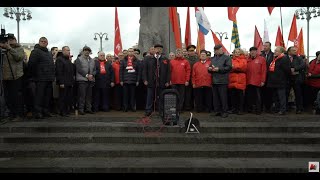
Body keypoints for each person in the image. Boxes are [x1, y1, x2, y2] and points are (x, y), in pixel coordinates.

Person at [28, 37, 55, 119]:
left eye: (45, 41)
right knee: (39, 96)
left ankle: (45, 111)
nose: (43, 42)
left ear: (47, 43)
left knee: (47, 97)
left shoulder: (49, 53)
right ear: (39, 42)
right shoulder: (35, 51)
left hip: (49, 78)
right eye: (42, 41)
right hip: (39, 79)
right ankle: (38, 112)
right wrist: (34, 76)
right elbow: (31, 65)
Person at [0, 34, 25, 121]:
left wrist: (9, 48)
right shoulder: (2, 50)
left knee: (16, 97)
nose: (10, 41)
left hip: (16, 76)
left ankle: (18, 114)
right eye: (8, 40)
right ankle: (11, 113)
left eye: (12, 39)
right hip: (5, 76)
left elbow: (19, 57)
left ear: (15, 40)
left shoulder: (19, 48)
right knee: (7, 97)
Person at [143, 44, 170, 116]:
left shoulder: (165, 59)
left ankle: (161, 110)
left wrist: (167, 81)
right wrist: (145, 79)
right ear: (154, 50)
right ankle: (148, 110)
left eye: (160, 48)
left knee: (161, 96)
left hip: (162, 81)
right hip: (151, 81)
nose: (158, 50)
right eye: (157, 48)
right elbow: (145, 70)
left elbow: (168, 71)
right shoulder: (148, 59)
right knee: (150, 96)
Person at [208, 44, 232, 118]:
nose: (222, 50)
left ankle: (225, 111)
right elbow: (210, 67)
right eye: (220, 50)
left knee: (223, 97)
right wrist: (209, 69)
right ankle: (217, 110)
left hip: (223, 81)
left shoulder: (227, 58)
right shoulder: (213, 59)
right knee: (216, 97)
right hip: (214, 80)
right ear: (215, 51)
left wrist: (219, 69)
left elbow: (228, 67)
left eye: (222, 49)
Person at [266, 46, 291, 115]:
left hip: (280, 81)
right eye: (275, 50)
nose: (275, 52)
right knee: (275, 97)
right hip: (274, 81)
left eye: (276, 51)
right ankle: (277, 109)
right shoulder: (275, 59)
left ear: (281, 52)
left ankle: (283, 110)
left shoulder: (284, 58)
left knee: (281, 96)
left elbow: (287, 70)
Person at [75, 46, 96, 115]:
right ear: (83, 51)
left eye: (88, 50)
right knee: (82, 96)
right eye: (85, 50)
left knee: (89, 96)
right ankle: (81, 109)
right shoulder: (79, 59)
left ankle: (88, 109)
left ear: (90, 52)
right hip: (82, 80)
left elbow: (95, 70)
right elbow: (79, 69)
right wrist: (87, 75)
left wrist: (92, 75)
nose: (87, 51)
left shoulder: (92, 60)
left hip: (90, 80)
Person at [246, 47, 266, 114]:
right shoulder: (247, 59)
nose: (253, 52)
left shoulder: (262, 59)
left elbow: (264, 71)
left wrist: (263, 80)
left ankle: (258, 110)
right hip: (248, 81)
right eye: (251, 51)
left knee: (258, 96)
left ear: (257, 52)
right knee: (249, 96)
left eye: (254, 51)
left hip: (257, 81)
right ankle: (250, 109)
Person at [285, 46, 305, 114]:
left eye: (295, 50)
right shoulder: (284, 57)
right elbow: (282, 66)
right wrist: (289, 70)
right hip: (287, 79)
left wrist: (295, 69)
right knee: (285, 94)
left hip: (296, 79)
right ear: (289, 51)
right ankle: (285, 108)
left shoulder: (299, 58)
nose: (295, 51)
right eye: (293, 50)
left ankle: (299, 109)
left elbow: (303, 65)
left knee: (298, 94)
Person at [55, 46, 74, 117]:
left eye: (69, 50)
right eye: (67, 50)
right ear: (63, 51)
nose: (69, 52)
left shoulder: (68, 60)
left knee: (68, 98)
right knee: (62, 97)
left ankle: (66, 110)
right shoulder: (59, 59)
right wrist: (61, 82)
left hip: (69, 82)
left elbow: (71, 72)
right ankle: (62, 111)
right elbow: (59, 72)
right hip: (63, 83)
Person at [120, 48, 140, 112]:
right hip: (125, 80)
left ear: (133, 52)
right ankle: (125, 107)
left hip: (133, 80)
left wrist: (138, 80)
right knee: (125, 95)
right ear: (128, 52)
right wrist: (121, 80)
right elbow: (121, 71)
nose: (131, 52)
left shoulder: (136, 60)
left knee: (133, 95)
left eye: (132, 51)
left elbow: (139, 71)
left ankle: (132, 107)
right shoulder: (123, 60)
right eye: (129, 51)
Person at [228, 48, 247, 115]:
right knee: (233, 96)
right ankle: (234, 109)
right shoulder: (231, 60)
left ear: (240, 53)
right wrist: (234, 67)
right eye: (235, 52)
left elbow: (242, 67)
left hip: (240, 79)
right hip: (232, 79)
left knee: (240, 96)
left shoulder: (243, 59)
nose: (236, 53)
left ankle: (240, 109)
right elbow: (228, 68)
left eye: (238, 52)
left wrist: (233, 67)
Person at [260, 42, 274, 113]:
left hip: (270, 77)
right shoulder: (260, 55)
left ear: (270, 47)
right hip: (262, 77)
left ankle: (269, 108)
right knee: (262, 93)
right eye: (264, 46)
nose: (264, 47)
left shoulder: (273, 55)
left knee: (269, 93)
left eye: (266, 46)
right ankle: (262, 107)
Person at [185, 45, 199, 111]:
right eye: (190, 51)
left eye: (193, 50)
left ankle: (195, 106)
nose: (192, 52)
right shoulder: (185, 59)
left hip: (196, 79)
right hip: (187, 79)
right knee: (188, 94)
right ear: (188, 52)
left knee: (196, 93)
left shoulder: (198, 59)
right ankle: (188, 106)